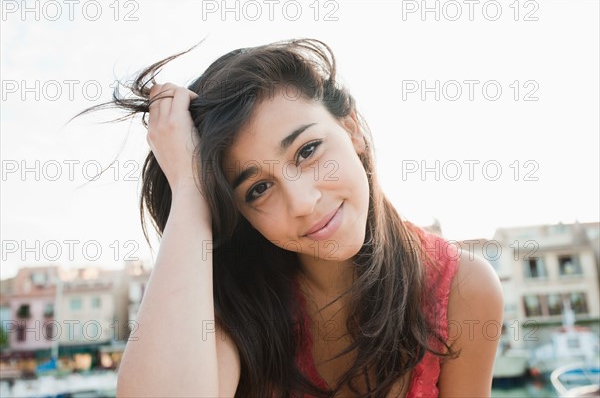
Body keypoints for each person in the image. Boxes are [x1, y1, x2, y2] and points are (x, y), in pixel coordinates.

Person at [85, 38, 503, 397]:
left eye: (307, 150)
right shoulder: (236, 306)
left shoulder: (462, 288)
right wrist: (191, 189)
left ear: (351, 127)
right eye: (258, 189)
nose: (302, 201)